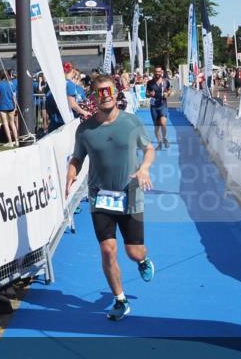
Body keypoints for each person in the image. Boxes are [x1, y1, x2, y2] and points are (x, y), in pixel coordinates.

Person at [64, 74, 157, 321]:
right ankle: (120, 299)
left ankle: (143, 260)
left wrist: (144, 168)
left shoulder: (131, 123)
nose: (105, 96)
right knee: (107, 250)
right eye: (99, 92)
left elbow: (149, 148)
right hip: (100, 198)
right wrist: (71, 174)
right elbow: (77, 157)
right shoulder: (85, 130)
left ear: (116, 93)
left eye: (108, 91)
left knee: (133, 252)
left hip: (130, 195)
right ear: (93, 97)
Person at [145, 66, 172, 149]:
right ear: (154, 72)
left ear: (161, 72)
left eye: (158, 71)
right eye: (156, 71)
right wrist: (150, 94)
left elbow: (170, 90)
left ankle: (165, 138)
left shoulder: (165, 82)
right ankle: (159, 143)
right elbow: (146, 93)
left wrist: (167, 94)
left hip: (163, 105)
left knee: (163, 123)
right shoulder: (150, 83)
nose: (157, 73)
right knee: (157, 127)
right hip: (154, 107)